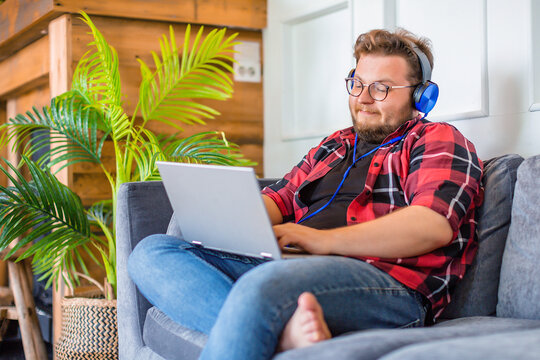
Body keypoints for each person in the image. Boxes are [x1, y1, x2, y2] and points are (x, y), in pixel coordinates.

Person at [128, 28, 483, 360]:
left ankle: (267, 322)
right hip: (288, 264)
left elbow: (432, 224)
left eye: (381, 88)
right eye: (357, 84)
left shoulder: (436, 139)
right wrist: (232, 223)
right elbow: (278, 199)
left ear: (422, 96)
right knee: (151, 252)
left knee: (264, 286)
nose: (363, 99)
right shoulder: (334, 145)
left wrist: (318, 240)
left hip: (386, 285)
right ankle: (283, 334)